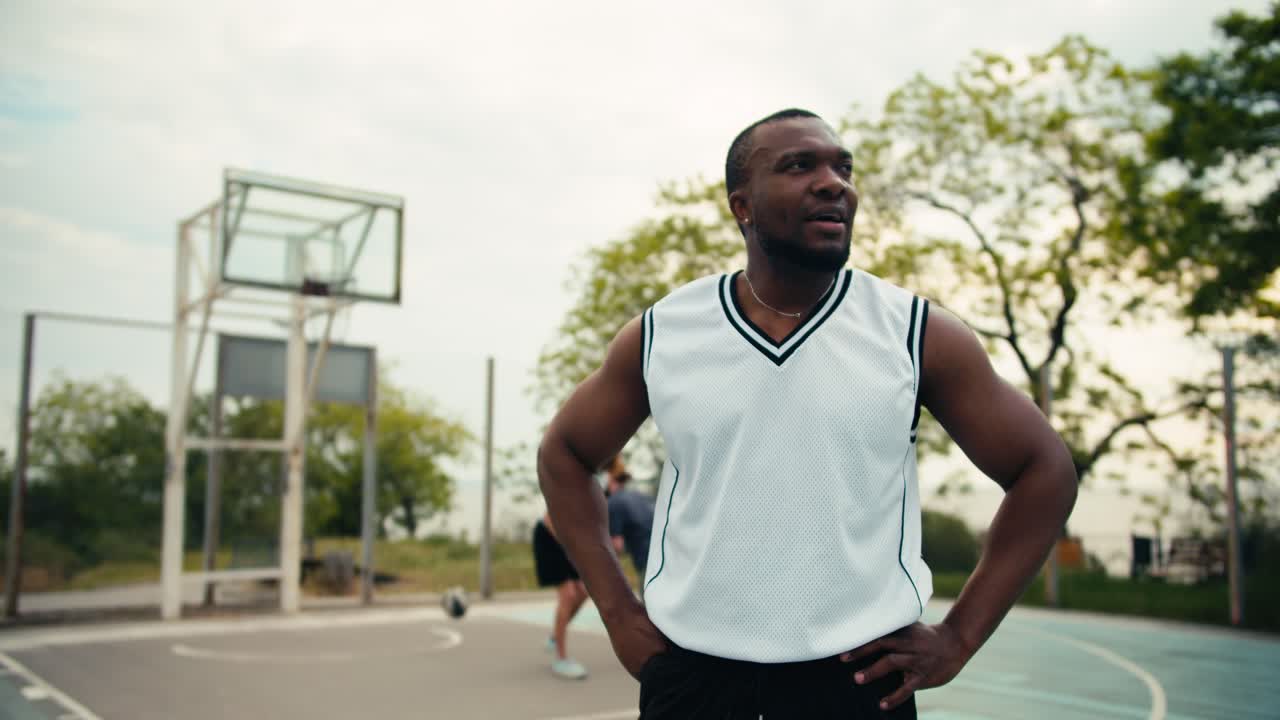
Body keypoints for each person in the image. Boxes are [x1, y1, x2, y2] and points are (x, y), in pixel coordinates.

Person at [537, 108, 1078, 717]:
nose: (834, 183)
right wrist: (618, 613)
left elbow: (1044, 470)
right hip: (695, 676)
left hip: (857, 679)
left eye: (842, 168)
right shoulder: (664, 332)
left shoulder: (916, 333)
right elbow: (565, 453)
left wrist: (959, 637)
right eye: (799, 166)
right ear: (742, 206)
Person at [531, 512, 590, 679]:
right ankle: (561, 658)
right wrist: (571, 549)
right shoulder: (569, 485)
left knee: (584, 591)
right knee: (568, 594)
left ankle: (555, 637)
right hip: (551, 536)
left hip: (567, 539)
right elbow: (552, 517)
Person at [604, 461, 655, 594]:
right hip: (669, 558)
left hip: (647, 564)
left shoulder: (613, 503)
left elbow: (617, 546)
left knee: (648, 608)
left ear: (609, 478)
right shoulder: (641, 496)